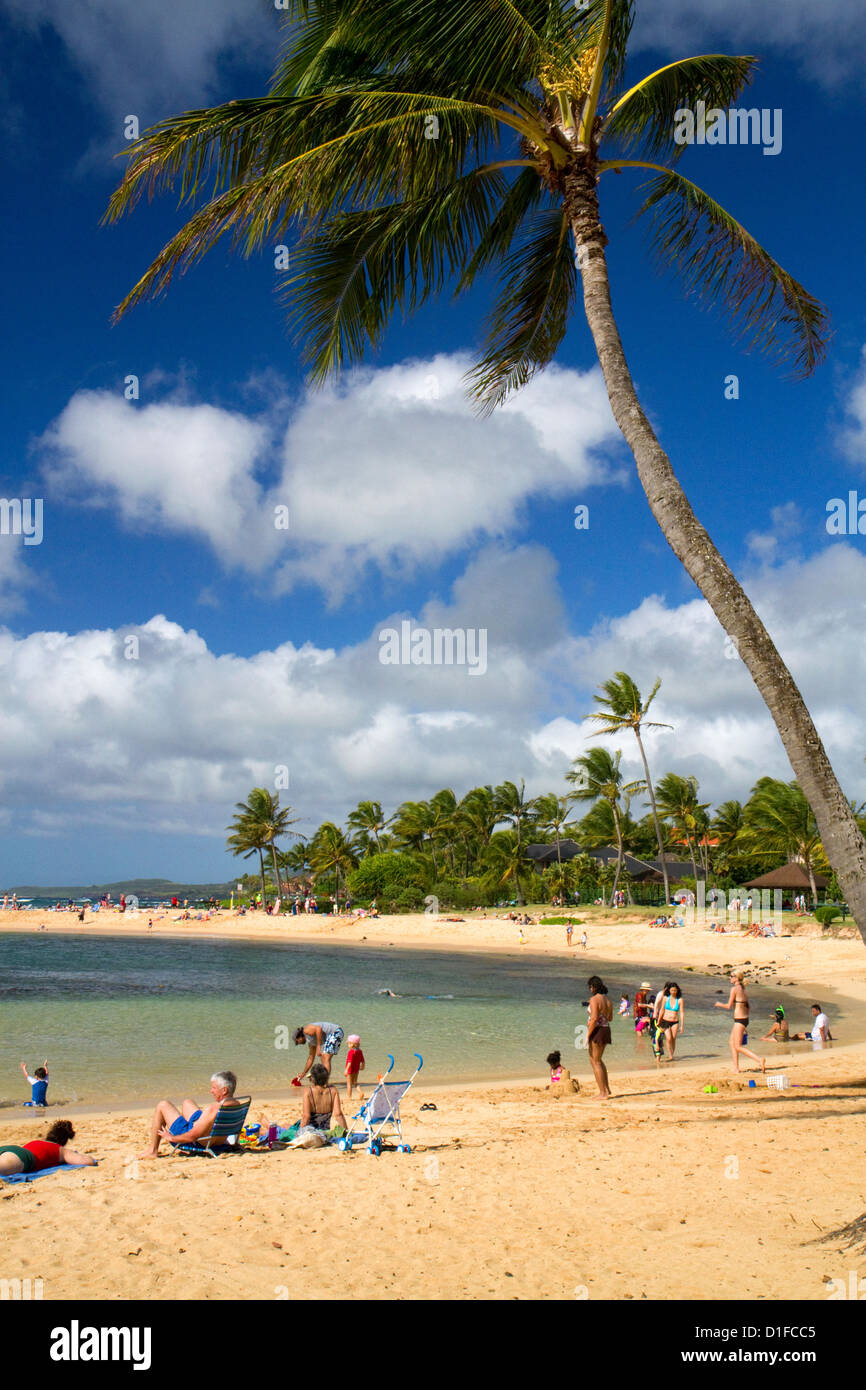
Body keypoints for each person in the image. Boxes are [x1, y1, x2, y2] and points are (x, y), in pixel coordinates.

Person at [139, 1070, 242, 1159]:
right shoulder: (238, 1105)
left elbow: (192, 1136)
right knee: (187, 1102)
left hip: (200, 1142)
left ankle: (152, 1151)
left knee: (163, 1105)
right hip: (219, 1143)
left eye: (214, 1088)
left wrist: (171, 1137)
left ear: (224, 1090)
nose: (211, 1091)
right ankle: (190, 1123)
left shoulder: (213, 1109)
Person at [0, 1119, 97, 1177]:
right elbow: (87, 1162)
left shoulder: (36, 1142)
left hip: (11, 1150)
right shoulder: (60, 1149)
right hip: (24, 1157)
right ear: (63, 1141)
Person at [715, 971, 766, 1074]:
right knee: (731, 1042)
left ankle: (759, 1060)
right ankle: (736, 1068)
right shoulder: (743, 989)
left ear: (737, 978)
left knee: (738, 1046)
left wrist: (719, 1004)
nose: (730, 978)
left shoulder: (734, 989)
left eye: (731, 976)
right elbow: (748, 1007)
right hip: (743, 1019)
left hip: (739, 1020)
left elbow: (729, 1006)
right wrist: (745, 1025)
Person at [290, 1062, 348, 1147]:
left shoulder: (308, 1091)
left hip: (310, 1129)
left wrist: (300, 1133)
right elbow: (338, 1114)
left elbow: (306, 1116)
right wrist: (346, 1131)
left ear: (312, 1079)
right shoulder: (333, 1091)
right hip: (325, 1130)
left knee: (287, 1128)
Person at [586, 975, 613, 1099]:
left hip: (597, 1030)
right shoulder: (607, 1000)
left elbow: (594, 1018)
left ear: (593, 987)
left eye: (590, 987)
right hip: (606, 1029)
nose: (590, 989)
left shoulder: (594, 1000)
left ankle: (603, 1093)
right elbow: (610, 1018)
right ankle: (606, 1089)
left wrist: (587, 1035)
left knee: (595, 1061)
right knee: (598, 1060)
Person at [654, 982, 685, 1060]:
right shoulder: (665, 998)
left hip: (675, 1022)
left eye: (675, 990)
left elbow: (681, 1013)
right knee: (668, 1038)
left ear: (677, 990)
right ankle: (670, 1055)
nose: (673, 992)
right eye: (672, 990)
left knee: (673, 1038)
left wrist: (682, 1026)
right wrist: (659, 1020)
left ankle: (671, 1055)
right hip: (665, 1021)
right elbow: (662, 1010)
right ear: (669, 991)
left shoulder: (680, 1000)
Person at [344, 1034, 365, 1101]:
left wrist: (346, 1070)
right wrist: (362, 1067)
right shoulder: (360, 1051)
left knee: (349, 1084)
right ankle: (360, 1092)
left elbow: (349, 1062)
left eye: (348, 1043)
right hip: (356, 1069)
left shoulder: (351, 1052)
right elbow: (363, 1061)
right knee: (355, 1082)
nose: (348, 1045)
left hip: (350, 1070)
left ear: (352, 1044)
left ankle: (349, 1097)